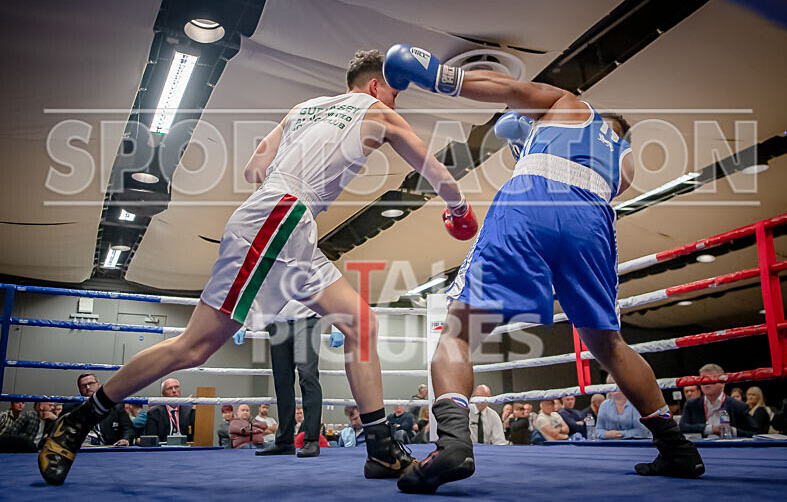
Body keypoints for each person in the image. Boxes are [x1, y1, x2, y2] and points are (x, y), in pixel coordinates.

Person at [40, 49, 476, 486]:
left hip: (287, 222)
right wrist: (459, 209)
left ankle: (381, 449)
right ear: (376, 85)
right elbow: (431, 166)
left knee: (361, 322)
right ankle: (81, 418)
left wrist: (296, 171)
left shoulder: (303, 109)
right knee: (194, 347)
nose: (395, 103)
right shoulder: (377, 109)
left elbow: (255, 167)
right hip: (280, 219)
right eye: (395, 93)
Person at [382, 44, 704, 493]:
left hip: (531, 203)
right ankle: (677, 448)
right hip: (593, 224)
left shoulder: (570, 104)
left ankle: (453, 442)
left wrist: (439, 77)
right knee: (608, 343)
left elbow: (507, 88)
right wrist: (526, 144)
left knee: (459, 331)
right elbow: (579, 178)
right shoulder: (624, 163)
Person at [256, 301, 322, 458]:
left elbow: (329, 289)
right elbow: (257, 290)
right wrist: (241, 325)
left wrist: (336, 327)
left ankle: (311, 440)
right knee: (282, 380)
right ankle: (284, 442)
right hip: (278, 321)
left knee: (308, 376)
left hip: (307, 319)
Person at [679, 364, 757, 438]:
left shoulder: (738, 406)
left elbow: (755, 432)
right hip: (701, 446)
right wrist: (710, 429)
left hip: (730, 446)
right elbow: (682, 427)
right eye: (703, 379)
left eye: (710, 378)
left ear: (722, 383)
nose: (706, 382)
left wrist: (733, 431)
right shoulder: (692, 405)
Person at [61, 373, 133, 447]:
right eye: (83, 385)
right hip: (78, 448)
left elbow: (127, 428)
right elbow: (60, 430)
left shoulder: (115, 406)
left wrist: (125, 439)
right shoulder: (69, 408)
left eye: (91, 383)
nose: (88, 387)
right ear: (79, 389)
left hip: (106, 448)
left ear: (99, 385)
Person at [142, 378, 195, 443]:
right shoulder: (154, 413)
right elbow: (152, 438)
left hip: (186, 447)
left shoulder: (190, 411)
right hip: (163, 447)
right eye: (169, 388)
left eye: (176, 387)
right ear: (163, 393)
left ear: (180, 390)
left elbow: (195, 436)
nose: (174, 391)